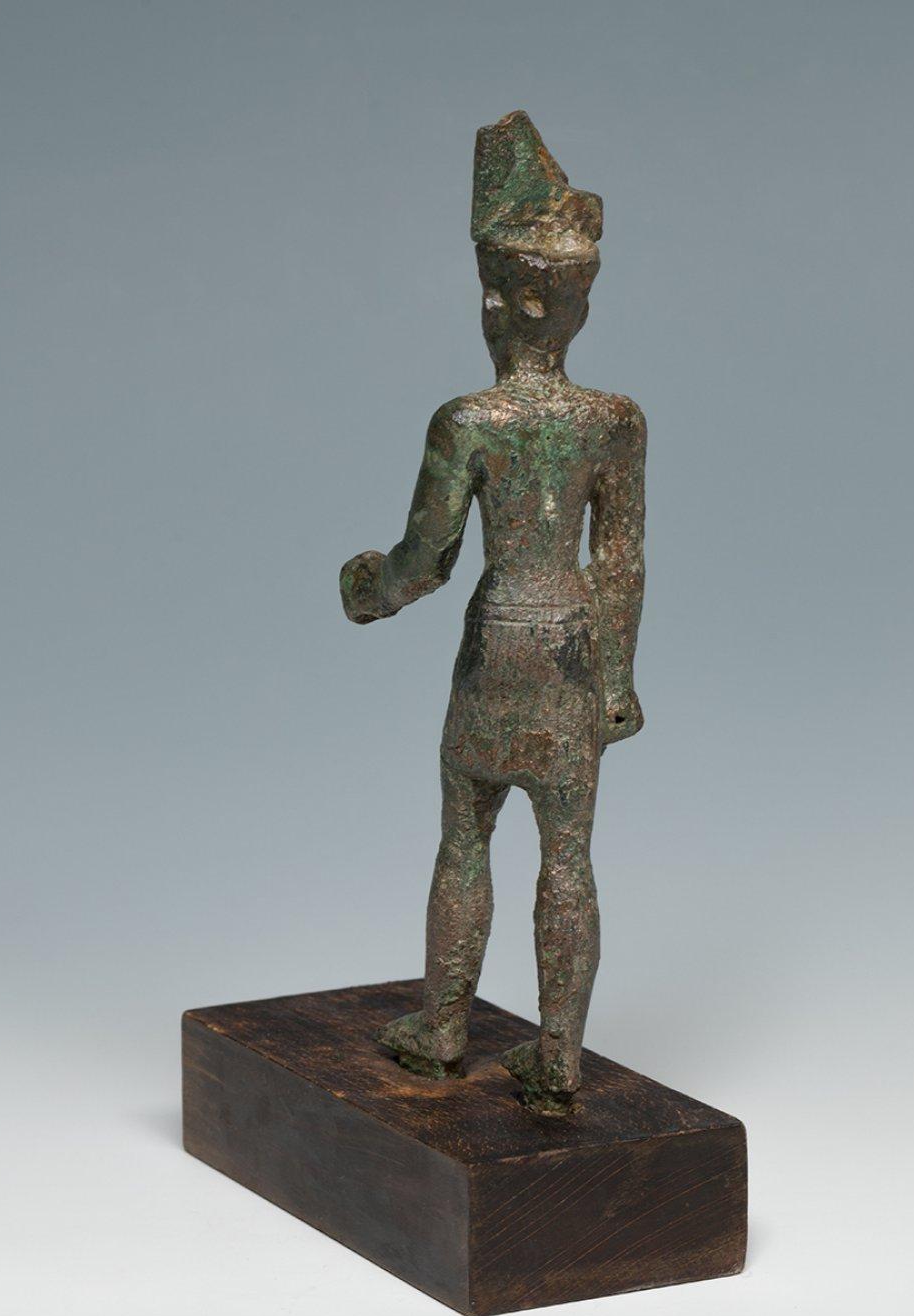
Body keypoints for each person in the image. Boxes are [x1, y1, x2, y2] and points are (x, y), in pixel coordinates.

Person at [340, 111, 646, 1113]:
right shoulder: (613, 422)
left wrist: (366, 591)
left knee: (464, 837)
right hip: (570, 650)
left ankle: (441, 1029)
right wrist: (616, 680)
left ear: (502, 300)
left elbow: (425, 561)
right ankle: (557, 1059)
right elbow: (619, 561)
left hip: (496, 645)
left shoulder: (469, 422)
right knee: (569, 855)